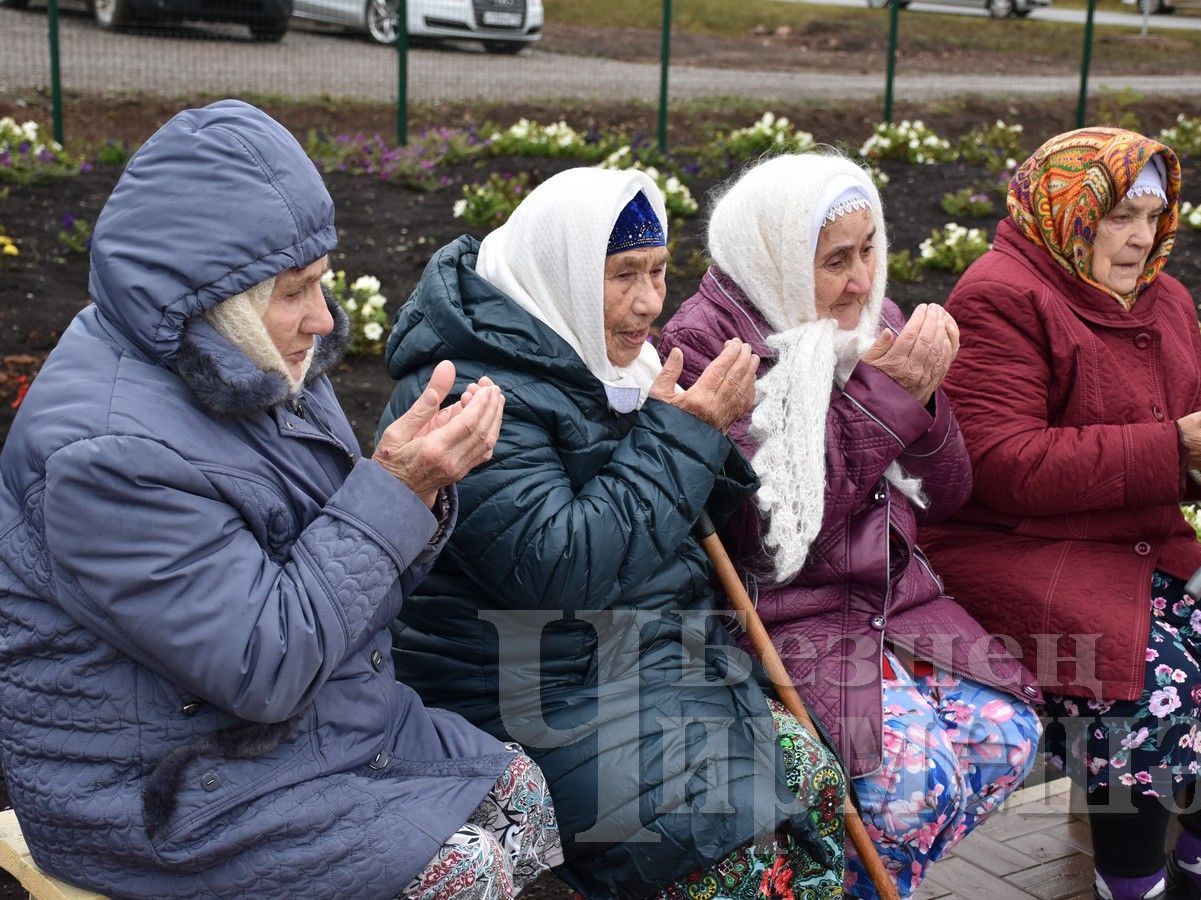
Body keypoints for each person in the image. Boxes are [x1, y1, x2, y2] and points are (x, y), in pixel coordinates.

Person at [0, 100, 563, 899]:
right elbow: (262, 665)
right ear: (211, 291)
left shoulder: (247, 361)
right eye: (295, 291)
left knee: (523, 799)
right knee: (462, 871)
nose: (323, 318)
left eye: (322, 282)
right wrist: (396, 487)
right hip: (161, 787)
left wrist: (412, 491)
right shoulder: (105, 454)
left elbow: (341, 588)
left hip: (289, 728)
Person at [380, 167, 848, 899]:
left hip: (641, 670)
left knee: (811, 775)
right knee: (736, 855)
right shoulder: (472, 393)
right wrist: (684, 435)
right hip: (523, 691)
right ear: (561, 271)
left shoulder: (607, 365)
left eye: (659, 272)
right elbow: (561, 570)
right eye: (623, 274)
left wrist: (700, 445)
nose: (647, 302)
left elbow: (708, 544)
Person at [918, 126, 1201, 900]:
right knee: (1143, 688)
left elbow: (1176, 443)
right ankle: (1130, 885)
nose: (1137, 239)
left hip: (1135, 549)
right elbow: (999, 465)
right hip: (1018, 553)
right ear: (1067, 211)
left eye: (1151, 217)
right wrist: (1170, 449)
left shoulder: (1166, 301)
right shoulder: (999, 293)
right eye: (1116, 216)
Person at [658, 152, 1043, 900]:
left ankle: (853, 882)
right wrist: (888, 401)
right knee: (908, 789)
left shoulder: (875, 325)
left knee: (1004, 736)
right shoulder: (710, 349)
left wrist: (924, 407)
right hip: (780, 618)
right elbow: (765, 542)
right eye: (837, 260)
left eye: (869, 249)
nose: (864, 280)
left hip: (893, 602)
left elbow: (946, 493)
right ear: (773, 256)